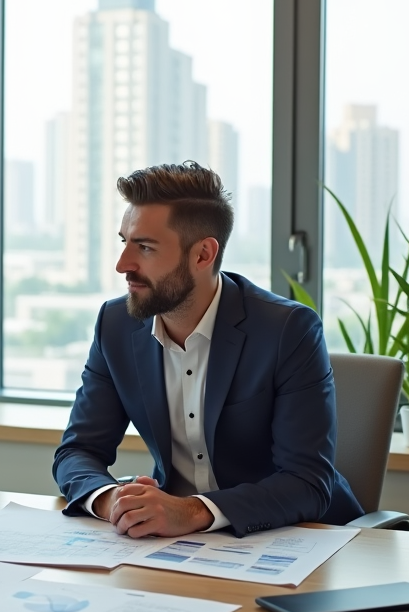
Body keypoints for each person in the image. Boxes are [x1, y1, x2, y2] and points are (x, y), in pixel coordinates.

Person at [53, 162, 363, 539]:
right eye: (124, 242)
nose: (123, 265)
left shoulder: (287, 330)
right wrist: (112, 500)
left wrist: (191, 511)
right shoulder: (115, 324)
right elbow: (77, 452)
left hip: (298, 537)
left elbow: (307, 482)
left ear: (203, 255)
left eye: (145, 247)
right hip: (182, 547)